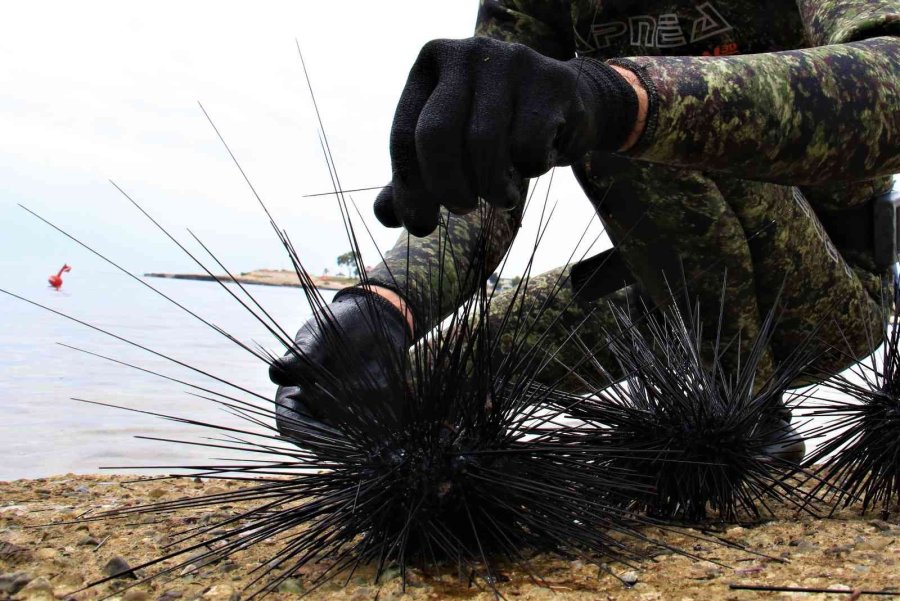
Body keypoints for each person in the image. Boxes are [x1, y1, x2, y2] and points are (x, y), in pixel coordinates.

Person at [270, 0, 900, 460]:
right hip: (668, 291)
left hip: (827, 295)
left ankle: (745, 411)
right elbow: (490, 182)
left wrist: (618, 96)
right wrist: (386, 304)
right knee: (415, 392)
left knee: (615, 134)